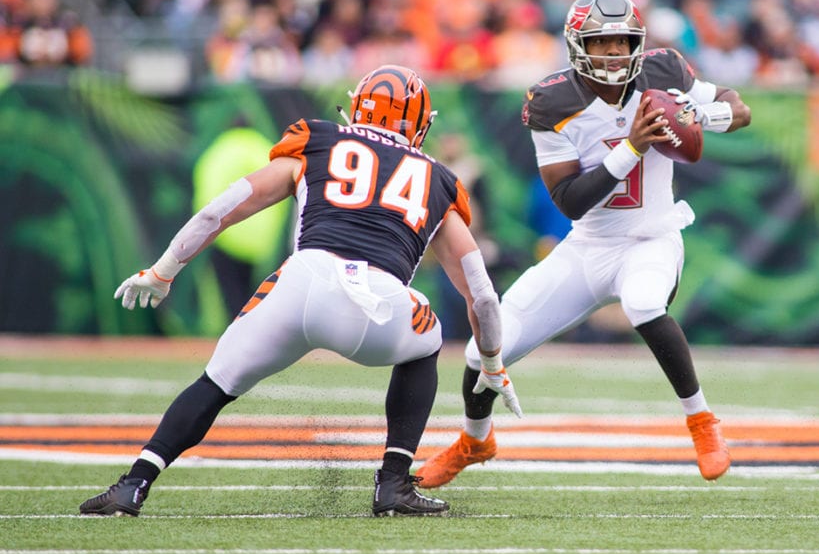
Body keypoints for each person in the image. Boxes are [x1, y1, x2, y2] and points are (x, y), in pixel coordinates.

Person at [79, 65, 522, 518]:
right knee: (425, 339)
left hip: (301, 284)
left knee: (215, 383)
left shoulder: (319, 141)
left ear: (358, 106)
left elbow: (221, 210)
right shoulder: (437, 179)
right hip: (378, 309)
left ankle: (132, 486)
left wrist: (163, 270)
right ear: (421, 125)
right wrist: (490, 364)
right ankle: (392, 485)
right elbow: (483, 296)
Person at [415, 0, 751, 488]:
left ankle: (702, 423)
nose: (614, 53)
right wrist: (633, 147)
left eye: (622, 41)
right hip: (588, 243)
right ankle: (475, 440)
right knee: (485, 346)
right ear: (578, 47)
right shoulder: (553, 101)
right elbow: (571, 200)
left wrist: (700, 116)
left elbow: (738, 108)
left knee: (642, 303)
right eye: (602, 42)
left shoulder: (662, 72)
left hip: (652, 238)